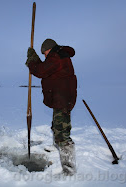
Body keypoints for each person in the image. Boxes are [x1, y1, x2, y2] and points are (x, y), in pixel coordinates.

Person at [25, 38, 77, 176]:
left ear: (49, 49)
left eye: (44, 53)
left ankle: (69, 170)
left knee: (62, 134)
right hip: (61, 98)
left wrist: (31, 61)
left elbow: (41, 71)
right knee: (57, 126)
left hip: (62, 99)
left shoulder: (56, 56)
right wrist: (35, 59)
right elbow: (46, 69)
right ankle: (57, 148)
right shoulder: (59, 56)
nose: (45, 56)